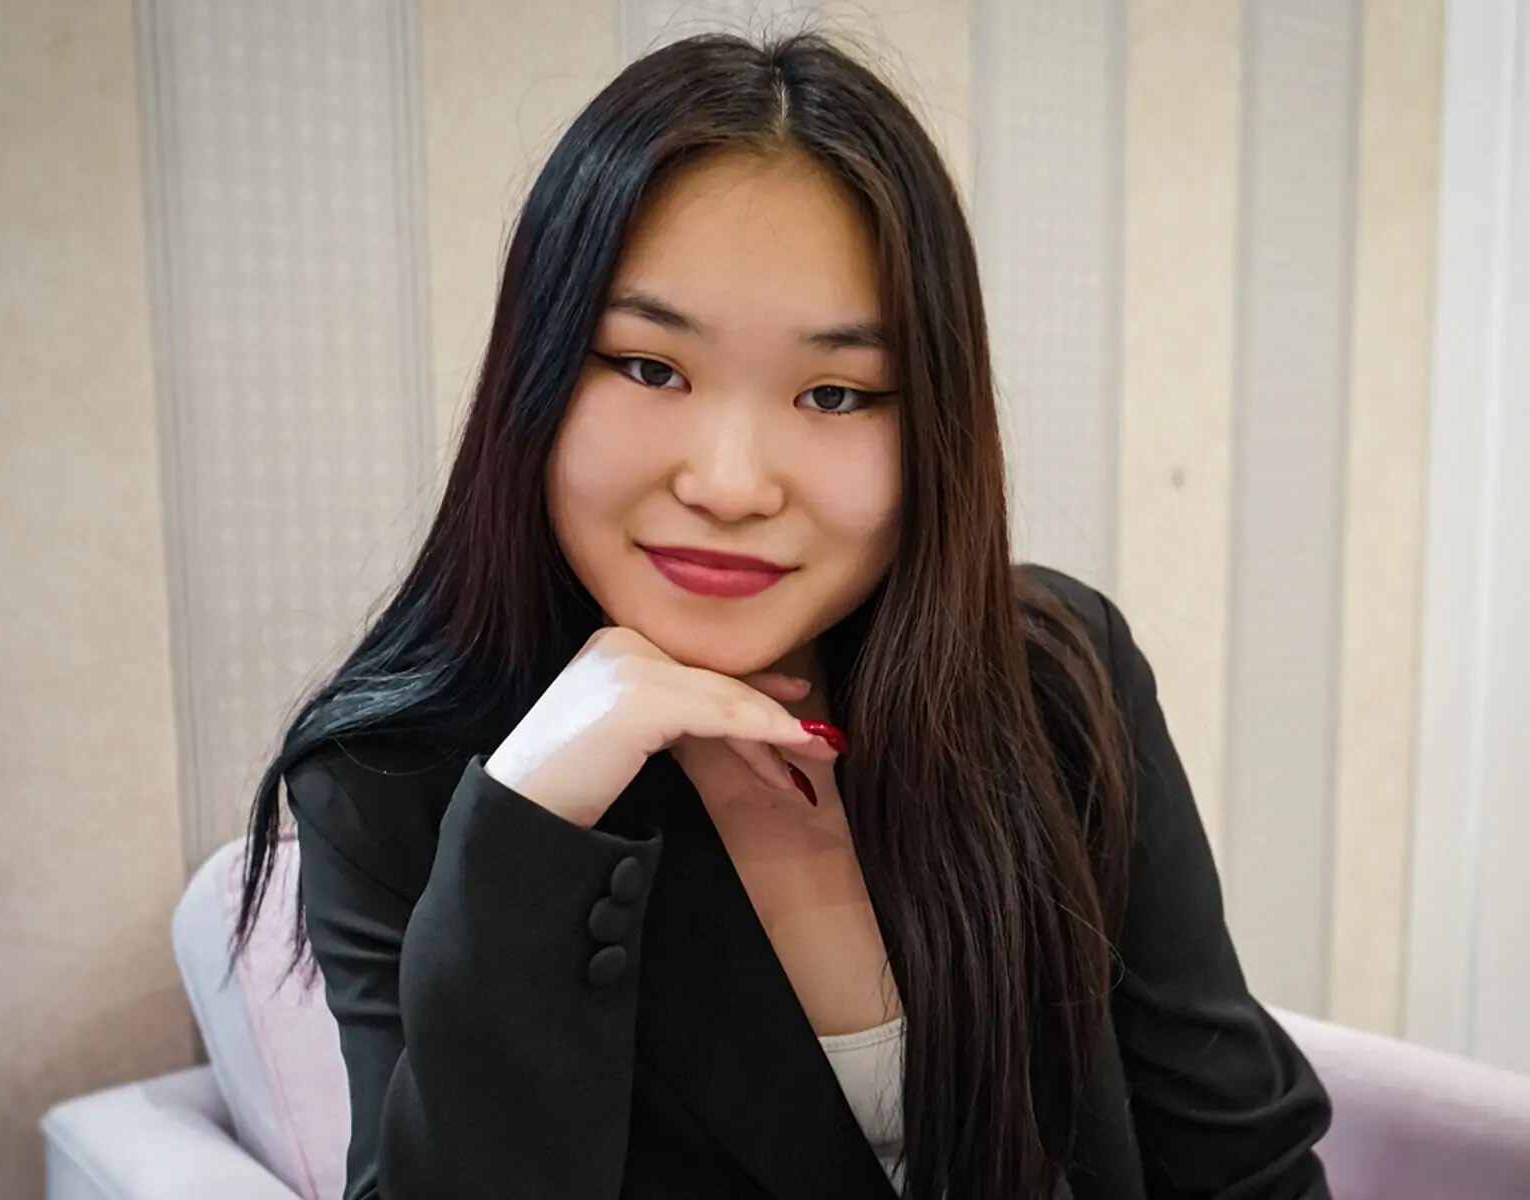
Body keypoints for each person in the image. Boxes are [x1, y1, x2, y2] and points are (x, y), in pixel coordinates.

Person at [233, 31, 1332, 1200]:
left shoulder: (1056, 675)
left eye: (835, 393)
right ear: (535, 373)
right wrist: (534, 821)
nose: (730, 483)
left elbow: (1239, 1164)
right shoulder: (393, 782)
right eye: (649, 368)